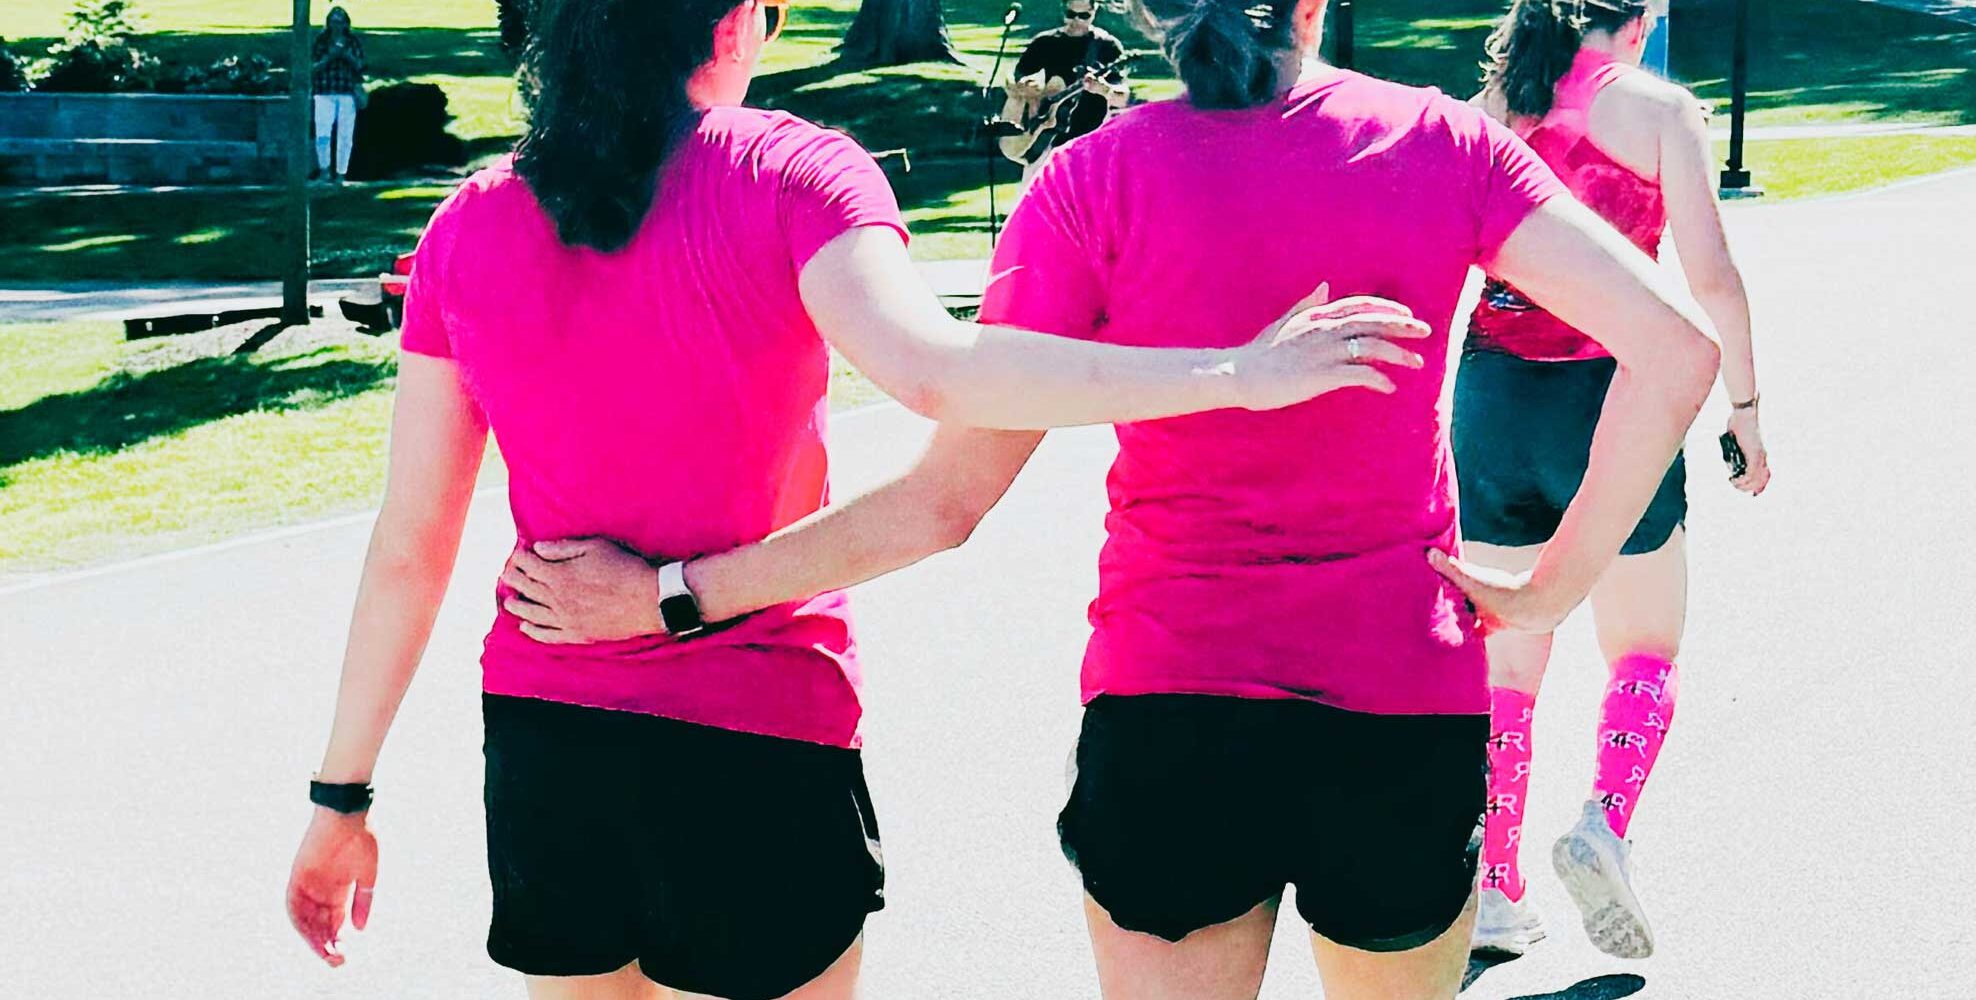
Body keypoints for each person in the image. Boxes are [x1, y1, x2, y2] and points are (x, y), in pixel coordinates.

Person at [508, 0, 1722, 994]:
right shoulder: (1441, 144)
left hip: (1169, 709)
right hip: (1397, 699)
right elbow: (1676, 350)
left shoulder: (1085, 185)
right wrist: (1550, 586)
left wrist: (671, 596)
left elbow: (943, 502)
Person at [278, 0, 1423, 995]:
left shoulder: (469, 223)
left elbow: (409, 545)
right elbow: (939, 375)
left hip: (547, 743)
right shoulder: (790, 173)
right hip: (755, 729)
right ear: (734, 22)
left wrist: (341, 797)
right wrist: (1232, 374)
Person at [1460, 0, 1771, 962]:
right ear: (1637, 22)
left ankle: (1496, 885)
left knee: (1509, 658)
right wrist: (1744, 410)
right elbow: (1712, 277)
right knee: (1644, 645)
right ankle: (1603, 822)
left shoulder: (1497, 105)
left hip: (1493, 397)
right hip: (1614, 392)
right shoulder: (1661, 110)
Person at [1005, 0, 1131, 182]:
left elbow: (1122, 98)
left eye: (1084, 16)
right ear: (1062, 11)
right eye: (1071, 14)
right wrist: (1030, 94)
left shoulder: (1107, 47)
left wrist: (1104, 89)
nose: (1076, 21)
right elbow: (1015, 83)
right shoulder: (1044, 43)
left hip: (1091, 144)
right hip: (1044, 143)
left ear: (1094, 12)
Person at [311, 6, 366, 184]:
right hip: (324, 91)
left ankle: (341, 173)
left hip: (346, 92)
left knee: (345, 136)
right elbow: (312, 67)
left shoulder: (352, 42)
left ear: (346, 24)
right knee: (323, 134)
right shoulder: (321, 41)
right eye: (333, 22)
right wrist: (330, 57)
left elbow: (360, 66)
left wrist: (345, 55)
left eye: (340, 22)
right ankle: (324, 171)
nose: (337, 26)